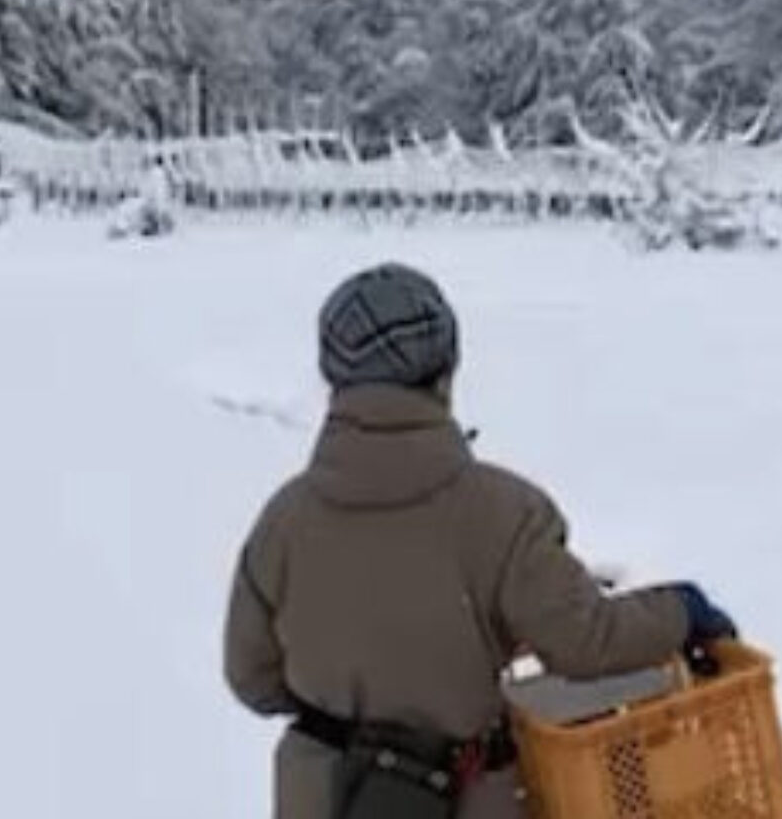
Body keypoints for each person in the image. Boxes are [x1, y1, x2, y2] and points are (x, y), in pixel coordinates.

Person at [223, 262, 737, 819]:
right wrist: (680, 611)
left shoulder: (283, 523)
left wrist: (349, 701)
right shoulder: (504, 515)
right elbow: (586, 641)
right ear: (445, 373)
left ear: (335, 381)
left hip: (322, 800)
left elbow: (252, 678)